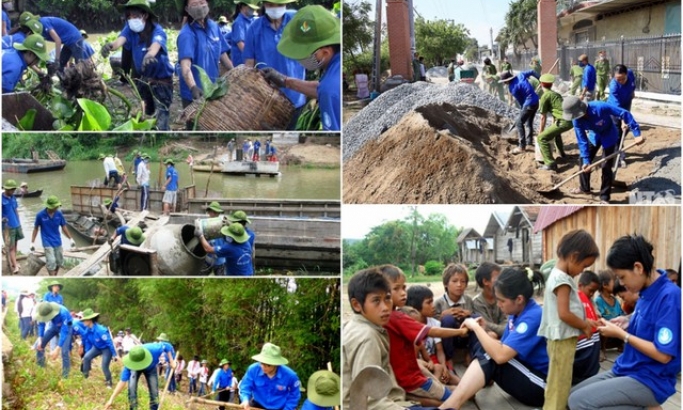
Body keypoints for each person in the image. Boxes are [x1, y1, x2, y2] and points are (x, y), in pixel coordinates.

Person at [569, 235, 681, 409]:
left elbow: (663, 355)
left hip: (650, 379)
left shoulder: (670, 297)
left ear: (638, 267)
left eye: (622, 277)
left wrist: (622, 335)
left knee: (579, 403)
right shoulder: (646, 290)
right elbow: (649, 318)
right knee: (571, 397)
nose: (622, 284)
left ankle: (649, 406)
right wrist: (626, 319)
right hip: (627, 368)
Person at [439, 268, 549, 409]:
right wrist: (484, 330)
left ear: (519, 299)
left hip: (541, 386)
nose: (498, 304)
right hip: (525, 373)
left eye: (502, 301)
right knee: (484, 347)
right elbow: (502, 346)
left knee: (490, 355)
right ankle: (456, 399)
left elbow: (501, 356)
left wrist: (476, 328)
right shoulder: (516, 313)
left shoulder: (533, 316)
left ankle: (450, 405)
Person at [380, 264, 470, 404]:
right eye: (396, 288)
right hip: (412, 379)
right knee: (456, 399)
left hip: (404, 376)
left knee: (450, 393)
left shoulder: (384, 318)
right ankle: (415, 398)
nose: (403, 293)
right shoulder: (397, 317)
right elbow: (432, 331)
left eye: (404, 287)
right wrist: (461, 331)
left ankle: (415, 397)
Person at [538, 229, 600, 410]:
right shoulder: (562, 280)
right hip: (562, 341)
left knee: (558, 379)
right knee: (560, 383)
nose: (582, 271)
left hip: (561, 340)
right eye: (584, 266)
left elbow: (569, 311)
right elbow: (564, 314)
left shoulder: (558, 276)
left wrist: (587, 322)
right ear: (573, 257)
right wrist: (584, 326)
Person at [100, 0, 175, 130]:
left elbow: (155, 46)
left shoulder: (157, 30)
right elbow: (119, 41)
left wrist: (149, 55)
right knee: (148, 113)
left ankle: (163, 135)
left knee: (162, 114)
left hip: (161, 82)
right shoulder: (129, 29)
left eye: (135, 16)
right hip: (144, 79)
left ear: (145, 15)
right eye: (129, 17)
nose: (131, 19)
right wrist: (110, 46)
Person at [266, 5, 340, 131]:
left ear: (325, 52)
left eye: (305, 55)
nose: (301, 60)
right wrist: (286, 81)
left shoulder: (330, 90)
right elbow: (321, 88)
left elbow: (327, 91)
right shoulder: (335, 64)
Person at [561, 96, 644, 203]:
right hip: (594, 135)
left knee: (606, 166)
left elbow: (624, 113)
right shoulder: (576, 120)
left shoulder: (600, 106)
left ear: (581, 110)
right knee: (583, 161)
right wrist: (586, 161)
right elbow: (582, 140)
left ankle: (604, 196)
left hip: (609, 134)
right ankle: (584, 188)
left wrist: (636, 133)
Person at [244, 0, 306, 128]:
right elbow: (249, 63)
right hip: (267, 98)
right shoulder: (254, 28)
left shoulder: (298, 20)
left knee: (292, 127)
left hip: (296, 94)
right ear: (264, 5)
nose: (275, 8)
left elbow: (313, 45)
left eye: (279, 5)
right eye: (271, 5)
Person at [176, 0, 233, 128]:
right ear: (187, 8)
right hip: (195, 94)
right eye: (194, 4)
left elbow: (222, 54)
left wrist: (235, 70)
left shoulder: (214, 27)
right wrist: (193, 87)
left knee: (212, 126)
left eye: (201, 2)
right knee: (195, 127)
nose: (199, 7)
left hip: (213, 90)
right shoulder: (187, 34)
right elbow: (185, 67)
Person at [405, 286, 458, 386]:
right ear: (415, 306)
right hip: (420, 365)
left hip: (434, 361)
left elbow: (439, 350)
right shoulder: (409, 326)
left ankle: (440, 383)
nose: (433, 306)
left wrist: (444, 367)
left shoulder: (434, 323)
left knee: (460, 384)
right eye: (429, 302)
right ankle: (437, 387)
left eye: (432, 301)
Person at [104, 343, 176, 410]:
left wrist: (171, 361)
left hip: (151, 368)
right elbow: (122, 381)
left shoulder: (154, 349)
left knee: (154, 391)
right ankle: (133, 408)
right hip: (134, 370)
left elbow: (168, 346)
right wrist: (111, 399)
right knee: (131, 389)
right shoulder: (130, 365)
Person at [434, 263, 474, 369]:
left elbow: (475, 318)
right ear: (446, 284)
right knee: (447, 319)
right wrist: (441, 316)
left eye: (463, 281)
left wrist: (468, 314)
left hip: (465, 336)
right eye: (454, 281)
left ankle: (470, 353)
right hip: (449, 339)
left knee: (475, 318)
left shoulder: (469, 301)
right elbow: (432, 325)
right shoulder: (439, 303)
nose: (459, 285)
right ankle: (449, 358)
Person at [238, 342, 301, 410]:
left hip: (279, 407)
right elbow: (246, 386)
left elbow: (294, 395)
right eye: (262, 363)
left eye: (268, 365)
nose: (263, 367)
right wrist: (245, 399)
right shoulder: (253, 370)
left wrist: (288, 408)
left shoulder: (290, 376)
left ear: (276, 364)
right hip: (257, 405)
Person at [19, 12, 86, 71]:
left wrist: (56, 60)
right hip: (67, 41)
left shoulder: (43, 23)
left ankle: (86, 82)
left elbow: (58, 40)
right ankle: (63, 82)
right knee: (61, 64)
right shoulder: (37, 29)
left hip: (74, 38)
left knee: (80, 65)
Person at [31, 195, 75, 276]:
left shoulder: (59, 214)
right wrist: (32, 242)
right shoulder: (40, 215)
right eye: (55, 206)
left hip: (57, 240)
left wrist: (70, 238)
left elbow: (64, 226)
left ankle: (54, 275)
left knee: (59, 261)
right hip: (46, 240)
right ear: (50, 206)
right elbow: (36, 228)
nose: (56, 208)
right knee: (51, 261)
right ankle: (52, 276)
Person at [499, 70, 540, 154]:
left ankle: (522, 146)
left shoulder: (512, 88)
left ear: (507, 80)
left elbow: (522, 102)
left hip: (529, 104)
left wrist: (522, 110)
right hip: (536, 102)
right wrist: (539, 78)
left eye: (504, 82)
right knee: (528, 122)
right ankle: (529, 142)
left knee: (519, 122)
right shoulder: (521, 75)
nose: (504, 83)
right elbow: (532, 71)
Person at [536, 73, 571, 171]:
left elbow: (543, 117)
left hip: (563, 121)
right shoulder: (556, 94)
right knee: (556, 133)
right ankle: (562, 154)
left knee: (541, 138)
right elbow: (558, 110)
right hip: (570, 120)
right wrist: (554, 123)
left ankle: (550, 163)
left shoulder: (545, 96)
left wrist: (541, 132)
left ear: (541, 84)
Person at [607, 64, 637, 168]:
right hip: (615, 108)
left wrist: (632, 91)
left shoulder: (630, 73)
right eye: (617, 79)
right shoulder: (614, 86)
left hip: (627, 103)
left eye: (622, 79)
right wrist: (623, 121)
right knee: (618, 133)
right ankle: (620, 158)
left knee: (625, 130)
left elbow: (633, 82)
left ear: (626, 74)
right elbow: (617, 107)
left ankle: (618, 151)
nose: (620, 81)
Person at [34, 301, 74, 378]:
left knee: (64, 352)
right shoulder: (43, 311)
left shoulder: (63, 312)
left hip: (66, 328)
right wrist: (40, 338)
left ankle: (65, 376)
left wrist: (57, 348)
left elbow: (64, 331)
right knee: (40, 345)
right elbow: (41, 325)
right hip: (54, 326)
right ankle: (40, 366)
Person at [80, 308, 118, 388]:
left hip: (106, 349)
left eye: (84, 320)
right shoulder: (87, 330)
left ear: (89, 320)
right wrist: (87, 352)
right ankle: (85, 377)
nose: (83, 322)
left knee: (104, 366)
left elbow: (109, 342)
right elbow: (88, 342)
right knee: (86, 357)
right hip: (96, 347)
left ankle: (109, 382)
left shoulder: (101, 330)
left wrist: (115, 355)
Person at [574, 270, 601, 381]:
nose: (592, 294)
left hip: (593, 339)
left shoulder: (589, 299)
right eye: (590, 290)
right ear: (580, 285)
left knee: (591, 367)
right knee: (582, 367)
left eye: (594, 292)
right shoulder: (575, 297)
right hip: (583, 341)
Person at [472, 262, 506, 339]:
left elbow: (507, 326)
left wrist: (487, 324)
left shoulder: (503, 299)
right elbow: (485, 327)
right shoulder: (477, 302)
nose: (502, 282)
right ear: (485, 281)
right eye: (498, 279)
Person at [2, 179, 23, 273]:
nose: (14, 191)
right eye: (12, 189)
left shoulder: (13, 197)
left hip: (16, 224)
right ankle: (15, 266)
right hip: (8, 227)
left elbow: (16, 210)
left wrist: (19, 223)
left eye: (14, 189)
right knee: (11, 247)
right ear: (6, 189)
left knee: (15, 245)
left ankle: (15, 262)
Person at [230, 0, 258, 66]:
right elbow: (241, 44)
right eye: (250, 7)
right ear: (243, 7)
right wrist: (252, 58)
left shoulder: (252, 20)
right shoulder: (239, 23)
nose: (252, 9)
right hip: (242, 61)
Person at [204, 202, 227, 275]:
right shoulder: (204, 224)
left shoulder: (224, 224)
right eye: (212, 212)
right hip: (207, 258)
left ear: (219, 213)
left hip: (220, 259)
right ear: (209, 212)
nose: (214, 214)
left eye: (216, 212)